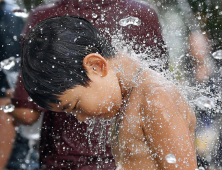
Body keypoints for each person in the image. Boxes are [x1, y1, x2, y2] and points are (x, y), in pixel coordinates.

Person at [21, 15, 197, 170]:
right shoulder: (127, 99)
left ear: (96, 66)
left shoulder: (155, 99)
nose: (81, 117)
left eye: (75, 106)